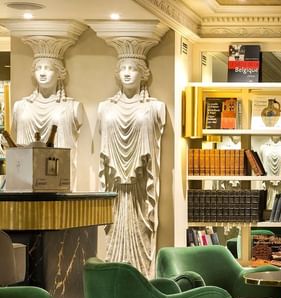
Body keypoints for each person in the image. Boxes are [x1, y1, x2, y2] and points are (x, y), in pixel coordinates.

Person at [98, 56, 166, 276]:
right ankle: (115, 276)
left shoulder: (155, 107)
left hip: (141, 185)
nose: (127, 73)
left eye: (133, 69)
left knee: (142, 230)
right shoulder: (105, 108)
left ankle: (142, 275)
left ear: (143, 74)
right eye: (123, 69)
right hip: (114, 185)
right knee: (114, 232)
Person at [12, 56, 84, 191]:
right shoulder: (20, 107)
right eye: (38, 68)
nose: (42, 72)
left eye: (48, 68)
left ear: (59, 74)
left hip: (60, 184)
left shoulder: (72, 106)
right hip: (24, 185)